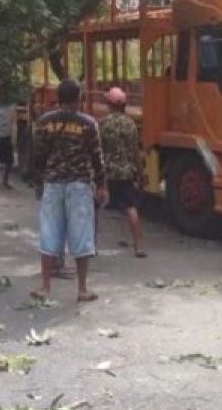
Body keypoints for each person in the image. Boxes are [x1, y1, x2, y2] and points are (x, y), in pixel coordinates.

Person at [31, 78, 108, 303]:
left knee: (49, 233)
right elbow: (97, 157)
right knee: (82, 234)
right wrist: (102, 185)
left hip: (52, 184)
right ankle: (82, 289)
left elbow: (38, 157)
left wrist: (39, 184)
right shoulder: (88, 123)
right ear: (79, 98)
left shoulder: (44, 122)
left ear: (58, 97)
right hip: (79, 186)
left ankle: (45, 288)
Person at [99, 87, 146, 258]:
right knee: (131, 208)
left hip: (106, 173)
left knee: (94, 208)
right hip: (126, 173)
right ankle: (138, 247)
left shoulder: (103, 123)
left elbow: (98, 149)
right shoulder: (130, 124)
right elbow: (135, 151)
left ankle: (90, 247)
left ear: (109, 104)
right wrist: (140, 173)